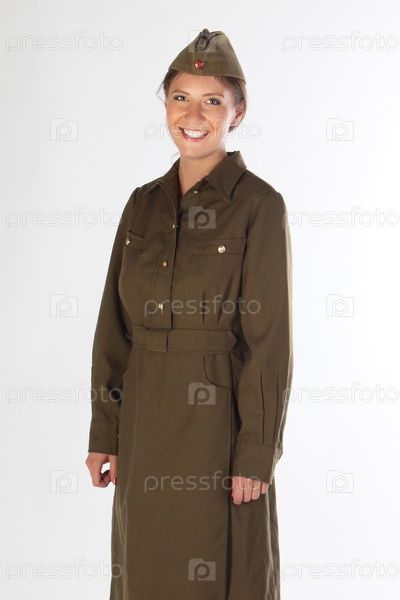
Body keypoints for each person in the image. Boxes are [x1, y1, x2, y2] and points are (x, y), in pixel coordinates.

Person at [85, 28, 293, 600]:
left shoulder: (259, 206)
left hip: (217, 431)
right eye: (180, 97)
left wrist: (257, 453)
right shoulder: (142, 204)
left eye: (212, 101)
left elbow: (270, 341)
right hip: (143, 425)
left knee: (221, 573)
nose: (193, 115)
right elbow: (114, 328)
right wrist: (106, 430)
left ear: (237, 112)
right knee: (145, 572)